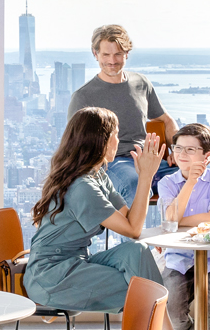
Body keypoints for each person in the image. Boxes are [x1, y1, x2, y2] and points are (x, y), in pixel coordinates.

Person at [26, 107, 210, 330]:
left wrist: (144, 177)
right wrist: (145, 177)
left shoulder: (97, 176)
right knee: (141, 298)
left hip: (75, 265)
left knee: (136, 256)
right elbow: (133, 225)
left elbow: (134, 231)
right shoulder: (84, 187)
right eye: (115, 135)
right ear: (100, 141)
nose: (119, 142)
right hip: (52, 277)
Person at [66, 24, 179, 205]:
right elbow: (74, 145)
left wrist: (178, 149)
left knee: (202, 179)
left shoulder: (140, 83)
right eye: (106, 54)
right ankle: (135, 234)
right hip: (113, 164)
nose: (112, 60)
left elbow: (165, 119)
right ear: (95, 54)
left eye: (118, 54)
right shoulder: (83, 96)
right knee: (135, 186)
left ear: (127, 54)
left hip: (148, 159)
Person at [156, 123, 210, 330]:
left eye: (190, 150)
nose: (181, 154)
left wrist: (177, 219)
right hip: (177, 257)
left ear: (207, 156)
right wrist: (190, 182)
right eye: (178, 148)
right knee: (171, 310)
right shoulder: (167, 182)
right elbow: (170, 221)